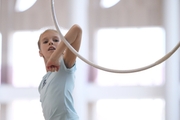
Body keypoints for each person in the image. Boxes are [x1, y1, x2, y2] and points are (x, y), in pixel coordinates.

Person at [38, 24, 82, 120]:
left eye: (56, 40)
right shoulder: (42, 83)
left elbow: (77, 30)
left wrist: (55, 57)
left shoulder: (64, 63)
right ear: (40, 52)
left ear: (63, 45)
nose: (51, 42)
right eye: (45, 41)